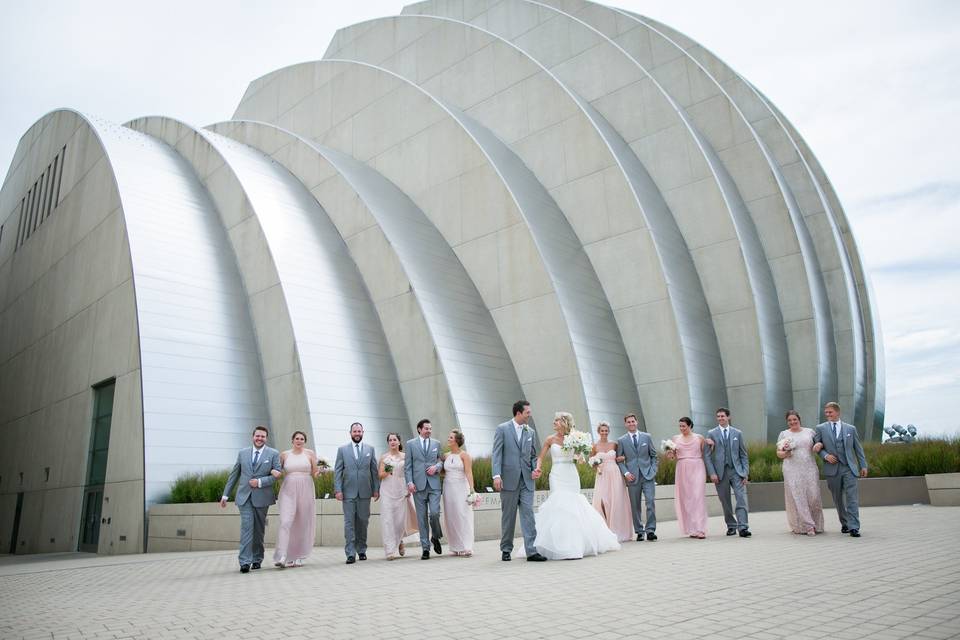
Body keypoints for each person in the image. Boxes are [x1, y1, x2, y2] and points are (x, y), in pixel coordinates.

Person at [531, 412, 620, 560]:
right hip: (557, 474)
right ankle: (558, 544)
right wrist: (538, 468)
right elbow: (540, 457)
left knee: (574, 505)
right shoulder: (549, 439)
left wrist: (580, 457)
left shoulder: (575, 437)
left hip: (571, 474)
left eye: (557, 420)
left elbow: (581, 457)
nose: (554, 422)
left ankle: (575, 544)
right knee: (558, 504)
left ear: (564, 422)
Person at [220, 425, 281, 573]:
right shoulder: (243, 453)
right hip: (244, 496)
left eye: (263, 436)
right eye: (257, 436)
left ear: (266, 438)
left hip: (262, 497)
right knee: (247, 528)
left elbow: (277, 475)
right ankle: (244, 562)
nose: (259, 438)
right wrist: (225, 495)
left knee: (258, 530)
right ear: (253, 437)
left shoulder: (273, 453)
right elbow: (234, 474)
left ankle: (257, 558)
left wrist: (260, 482)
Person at [492, 400, 546, 562]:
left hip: (527, 481)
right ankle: (506, 549)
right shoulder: (502, 429)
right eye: (527, 412)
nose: (530, 415)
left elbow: (532, 456)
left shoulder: (530, 432)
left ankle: (532, 551)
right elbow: (496, 454)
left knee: (528, 514)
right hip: (508, 479)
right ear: (518, 413)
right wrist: (496, 475)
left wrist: (535, 469)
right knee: (508, 517)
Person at [813, 401, 868, 537]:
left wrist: (863, 465)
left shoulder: (851, 429)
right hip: (832, 469)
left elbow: (858, 449)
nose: (828, 414)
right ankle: (845, 524)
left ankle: (854, 527)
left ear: (837, 412)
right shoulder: (820, 428)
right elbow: (817, 447)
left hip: (849, 468)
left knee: (852, 498)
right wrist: (826, 456)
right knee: (838, 499)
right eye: (826, 412)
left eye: (830, 412)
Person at [334, 422, 380, 564]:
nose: (357, 433)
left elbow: (374, 471)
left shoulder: (370, 449)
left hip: (365, 492)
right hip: (348, 492)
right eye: (355, 431)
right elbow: (338, 471)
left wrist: (376, 489)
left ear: (363, 432)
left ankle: (361, 550)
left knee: (363, 522)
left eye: (359, 431)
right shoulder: (342, 450)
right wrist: (338, 489)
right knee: (349, 523)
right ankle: (350, 553)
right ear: (350, 433)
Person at [273, 430, 320, 568]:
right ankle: (282, 555)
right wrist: (274, 472)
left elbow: (315, 473)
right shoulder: (284, 455)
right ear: (292, 440)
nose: (299, 441)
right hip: (288, 489)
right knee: (286, 521)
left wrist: (321, 470)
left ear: (304, 441)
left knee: (303, 521)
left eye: (302, 439)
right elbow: (278, 471)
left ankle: (300, 555)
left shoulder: (310, 454)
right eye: (297, 438)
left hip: (306, 488)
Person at [703, 407, 751, 537]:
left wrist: (745, 472)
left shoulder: (737, 433)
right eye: (718, 416)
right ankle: (731, 525)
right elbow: (706, 455)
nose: (720, 418)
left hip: (736, 471)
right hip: (720, 473)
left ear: (728, 417)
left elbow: (743, 455)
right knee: (725, 500)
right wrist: (712, 473)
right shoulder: (711, 433)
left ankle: (743, 527)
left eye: (722, 416)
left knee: (741, 498)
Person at [777, 410, 824, 536]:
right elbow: (779, 453)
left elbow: (818, 444)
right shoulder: (784, 434)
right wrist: (786, 452)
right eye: (790, 420)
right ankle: (807, 526)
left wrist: (818, 445)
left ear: (799, 419)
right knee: (798, 497)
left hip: (809, 467)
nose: (792, 422)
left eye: (794, 419)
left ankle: (817, 524)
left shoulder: (809, 432)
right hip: (792, 468)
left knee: (813, 495)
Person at [615, 413, 658, 541]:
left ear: (636, 422)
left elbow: (654, 455)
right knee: (635, 505)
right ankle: (639, 531)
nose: (631, 424)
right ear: (625, 424)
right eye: (628, 422)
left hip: (648, 475)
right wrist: (626, 473)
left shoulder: (647, 437)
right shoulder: (621, 440)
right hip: (632, 477)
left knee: (650, 502)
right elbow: (619, 460)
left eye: (633, 421)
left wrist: (653, 470)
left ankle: (650, 530)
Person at [405, 419, 444, 559]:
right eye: (426, 428)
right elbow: (408, 466)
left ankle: (435, 537)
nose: (429, 431)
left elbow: (441, 460)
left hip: (434, 485)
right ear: (419, 429)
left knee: (434, 514)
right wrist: (409, 482)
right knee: (421, 518)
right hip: (418, 486)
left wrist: (437, 467)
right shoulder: (410, 444)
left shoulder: (437, 443)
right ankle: (425, 548)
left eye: (430, 428)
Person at [378, 433, 418, 560]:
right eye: (390, 440)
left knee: (400, 520)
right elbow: (381, 475)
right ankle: (390, 550)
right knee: (388, 520)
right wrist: (389, 467)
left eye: (395, 440)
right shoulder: (384, 457)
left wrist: (410, 487)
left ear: (399, 442)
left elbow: (410, 473)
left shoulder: (406, 457)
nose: (392, 442)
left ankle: (400, 540)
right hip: (387, 490)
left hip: (401, 489)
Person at [591, 421, 634, 542]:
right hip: (602, 475)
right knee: (603, 501)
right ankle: (605, 530)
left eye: (606, 431)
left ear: (608, 432)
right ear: (599, 432)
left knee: (616, 501)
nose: (604, 433)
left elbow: (621, 456)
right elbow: (591, 462)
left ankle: (618, 530)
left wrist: (622, 458)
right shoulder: (594, 446)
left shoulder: (614, 444)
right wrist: (596, 466)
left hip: (615, 474)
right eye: (602, 431)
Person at [666, 417, 709, 538]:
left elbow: (706, 454)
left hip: (697, 467)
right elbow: (672, 457)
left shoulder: (699, 438)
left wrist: (710, 444)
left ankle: (700, 528)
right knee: (686, 499)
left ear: (690, 426)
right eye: (680, 426)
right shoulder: (675, 439)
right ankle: (691, 528)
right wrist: (669, 453)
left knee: (697, 496)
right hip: (682, 468)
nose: (681, 428)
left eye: (684, 426)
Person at [442, 429, 476, 557]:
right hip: (448, 487)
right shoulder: (445, 456)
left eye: (451, 437)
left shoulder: (464, 455)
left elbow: (468, 472)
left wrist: (472, 489)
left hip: (461, 487)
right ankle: (455, 546)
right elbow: (442, 472)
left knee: (463, 515)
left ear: (456, 441)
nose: (448, 439)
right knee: (451, 516)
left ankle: (466, 546)